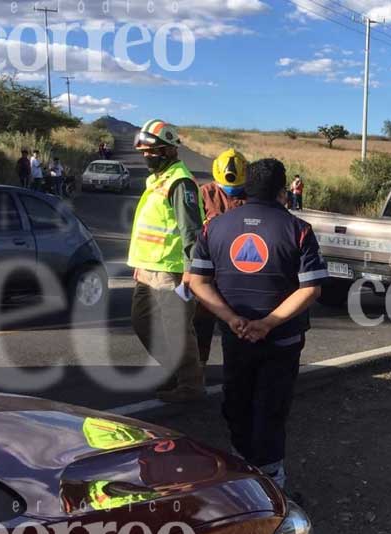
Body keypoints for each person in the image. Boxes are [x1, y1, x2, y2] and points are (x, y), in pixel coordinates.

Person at [188, 158, 327, 490]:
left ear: (246, 188)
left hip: (236, 339)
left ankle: (240, 474)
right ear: (283, 191)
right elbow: (311, 289)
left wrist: (232, 319)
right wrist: (268, 323)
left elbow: (197, 282)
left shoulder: (214, 227)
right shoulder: (299, 230)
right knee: (271, 408)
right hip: (282, 341)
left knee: (237, 401)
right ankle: (270, 486)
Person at [128, 119, 206, 404]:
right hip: (149, 269)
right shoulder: (159, 180)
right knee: (141, 321)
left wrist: (190, 271)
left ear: (169, 150)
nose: (147, 156)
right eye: (144, 151)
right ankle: (174, 371)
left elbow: (191, 232)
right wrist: (140, 263)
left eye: (152, 150)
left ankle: (190, 386)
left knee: (176, 330)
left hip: (172, 271)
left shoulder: (180, 182)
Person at [193, 149, 249, 365]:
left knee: (238, 330)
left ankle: (238, 372)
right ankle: (196, 374)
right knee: (200, 329)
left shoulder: (252, 197)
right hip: (209, 276)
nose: (232, 192)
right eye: (227, 188)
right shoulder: (204, 194)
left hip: (239, 278)